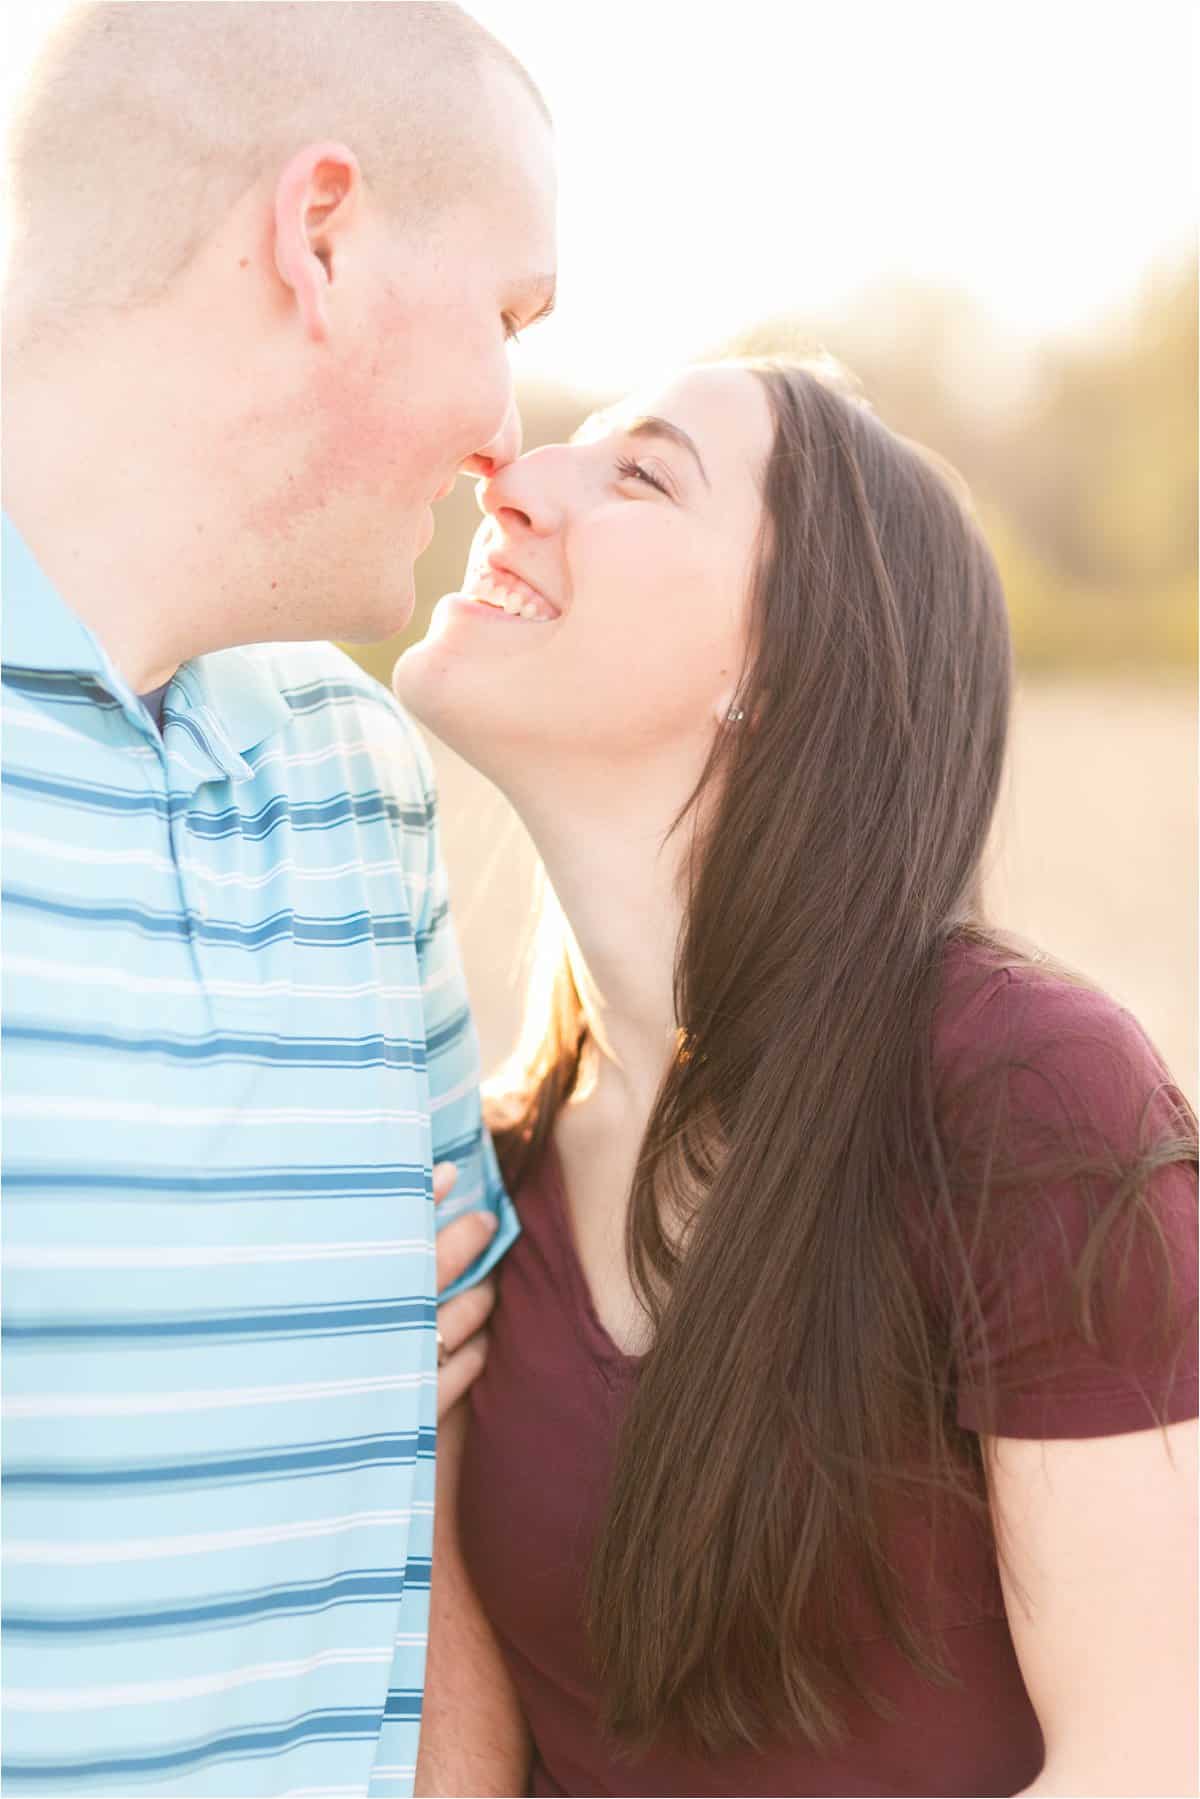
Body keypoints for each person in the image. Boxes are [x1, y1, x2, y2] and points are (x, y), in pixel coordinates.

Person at [394, 357, 1199, 1798]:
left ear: (782, 663)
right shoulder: (486, 1167)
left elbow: (1149, 1754)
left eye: (639, 474)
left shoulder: (1023, 1100)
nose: (507, 476)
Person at [1, 4, 555, 1793]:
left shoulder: (355, 773)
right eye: (511, 319)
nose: (511, 434)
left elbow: (421, 1490)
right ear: (321, 237)